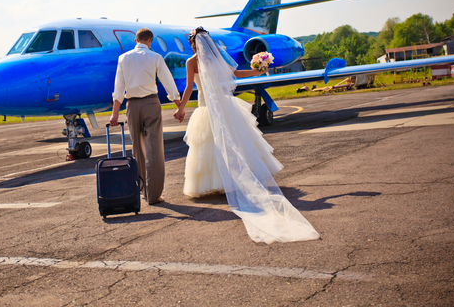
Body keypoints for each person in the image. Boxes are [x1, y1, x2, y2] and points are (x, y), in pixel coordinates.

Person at [173, 27, 320, 243]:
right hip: (226, 104)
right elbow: (236, 74)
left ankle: (219, 183)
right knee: (237, 140)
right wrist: (257, 72)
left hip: (206, 107)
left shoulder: (191, 62)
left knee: (209, 145)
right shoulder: (218, 58)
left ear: (193, 44)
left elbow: (188, 88)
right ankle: (234, 180)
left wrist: (182, 108)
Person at [110, 28, 181, 205]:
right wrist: (178, 105)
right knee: (154, 150)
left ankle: (143, 190)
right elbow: (168, 81)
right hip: (151, 103)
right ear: (150, 40)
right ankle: (154, 195)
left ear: (136, 41)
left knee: (137, 150)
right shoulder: (155, 57)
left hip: (132, 106)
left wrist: (114, 115)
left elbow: (119, 88)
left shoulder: (123, 58)